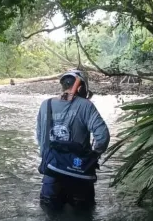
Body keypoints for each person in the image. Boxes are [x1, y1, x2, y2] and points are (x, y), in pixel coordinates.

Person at [36, 69, 110, 210]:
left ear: (63, 86)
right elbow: (103, 136)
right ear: (81, 88)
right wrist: (94, 155)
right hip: (79, 173)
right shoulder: (85, 105)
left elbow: (40, 138)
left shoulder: (46, 105)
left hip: (51, 173)